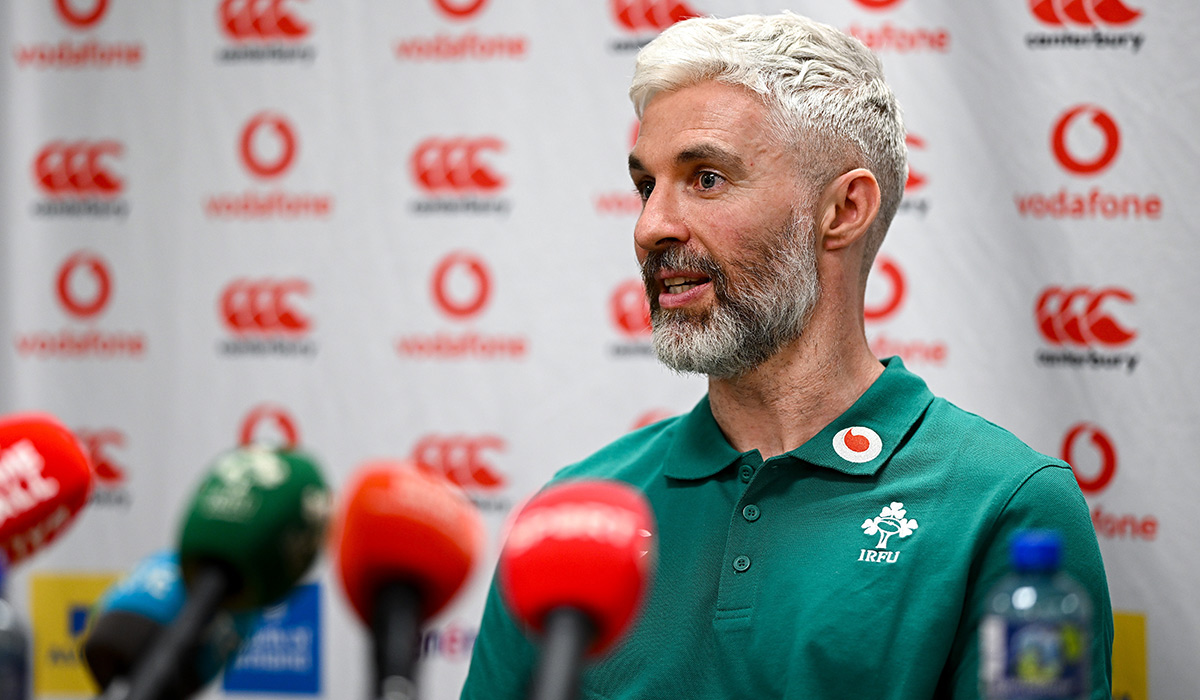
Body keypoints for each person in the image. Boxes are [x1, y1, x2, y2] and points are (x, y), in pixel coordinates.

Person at [460, 12, 1112, 700]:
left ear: (843, 210)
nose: (652, 226)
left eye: (706, 178)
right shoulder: (573, 517)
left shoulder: (1003, 505)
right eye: (646, 186)